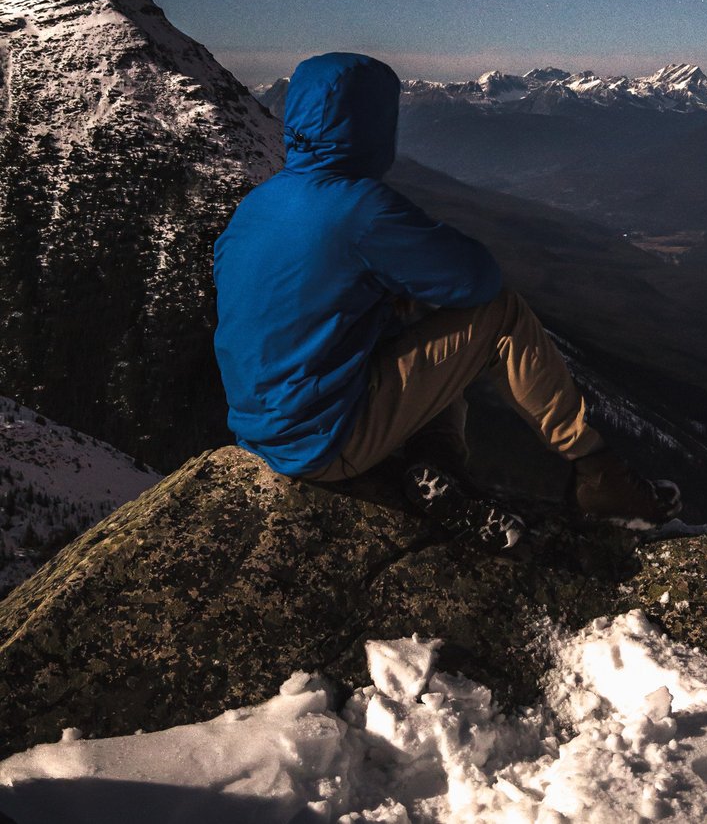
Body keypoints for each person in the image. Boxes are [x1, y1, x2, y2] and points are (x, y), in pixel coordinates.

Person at [213, 52, 679, 548]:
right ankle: (597, 475)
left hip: (262, 432)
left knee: (416, 319)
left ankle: (435, 467)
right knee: (497, 314)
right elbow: (478, 279)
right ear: (372, 124)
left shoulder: (257, 205)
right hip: (325, 442)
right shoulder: (358, 207)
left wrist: (385, 300)